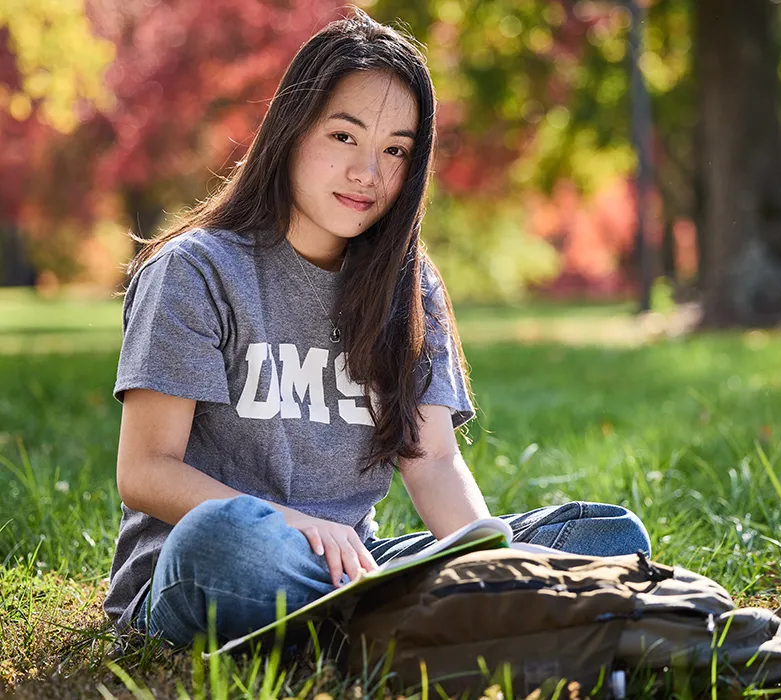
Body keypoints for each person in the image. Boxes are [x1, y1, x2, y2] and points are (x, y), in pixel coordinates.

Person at [102, 6, 651, 650]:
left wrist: (496, 565)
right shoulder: (196, 271)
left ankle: (414, 615)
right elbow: (145, 471)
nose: (369, 172)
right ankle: (442, 623)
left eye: (395, 151)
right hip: (215, 564)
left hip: (355, 568)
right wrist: (299, 526)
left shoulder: (408, 285)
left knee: (607, 536)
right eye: (344, 137)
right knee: (221, 543)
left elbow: (436, 463)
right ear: (293, 129)